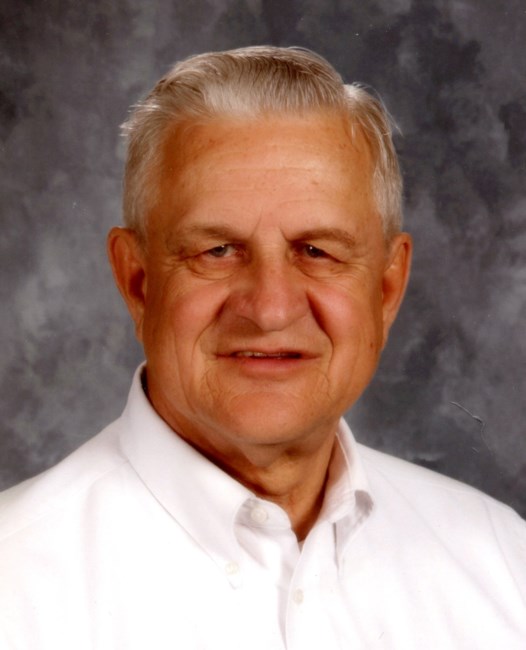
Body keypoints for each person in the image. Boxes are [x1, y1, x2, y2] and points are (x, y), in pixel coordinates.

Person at [0, 46, 524, 649]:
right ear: (138, 282)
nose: (271, 308)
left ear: (386, 290)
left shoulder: (504, 564)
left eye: (317, 251)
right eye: (217, 251)